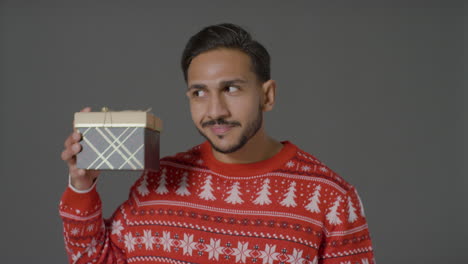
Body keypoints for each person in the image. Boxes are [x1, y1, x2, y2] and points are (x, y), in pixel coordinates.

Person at [60, 23, 375, 264]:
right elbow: (96, 258)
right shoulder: (158, 179)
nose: (215, 111)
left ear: (267, 95)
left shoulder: (331, 199)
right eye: (199, 93)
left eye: (232, 89)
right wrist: (82, 187)